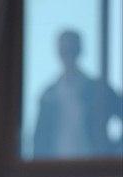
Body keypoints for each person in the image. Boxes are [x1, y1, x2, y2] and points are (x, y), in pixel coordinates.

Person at [33, 29, 123, 159]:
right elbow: (39, 138)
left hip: (92, 164)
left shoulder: (98, 89)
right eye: (64, 50)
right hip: (56, 165)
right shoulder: (49, 94)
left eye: (71, 50)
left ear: (79, 50)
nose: (68, 55)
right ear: (58, 53)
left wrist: (112, 149)